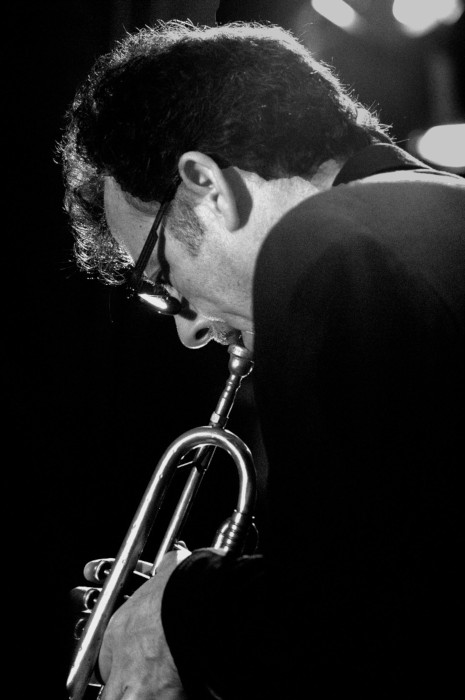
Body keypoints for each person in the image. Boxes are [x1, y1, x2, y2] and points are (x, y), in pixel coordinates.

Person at [60, 21, 465, 700]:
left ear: (205, 185)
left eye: (163, 279)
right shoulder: (441, 209)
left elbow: (349, 630)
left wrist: (178, 612)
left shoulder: (330, 244)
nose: (189, 330)